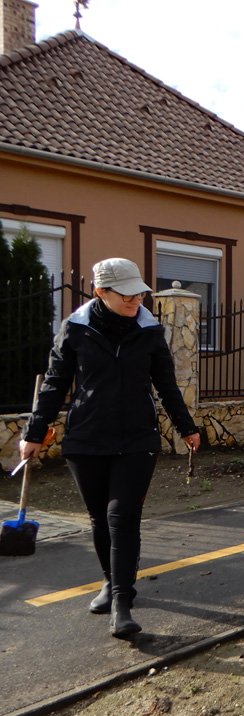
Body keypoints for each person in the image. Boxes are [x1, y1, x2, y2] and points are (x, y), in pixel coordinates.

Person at [20, 258, 201, 639]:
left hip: (137, 438)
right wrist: (34, 433)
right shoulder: (76, 329)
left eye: (139, 292)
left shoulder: (149, 330)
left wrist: (186, 427)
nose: (136, 298)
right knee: (99, 519)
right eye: (127, 293)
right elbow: (55, 384)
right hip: (87, 439)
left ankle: (122, 601)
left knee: (122, 518)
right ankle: (110, 581)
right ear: (101, 292)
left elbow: (166, 384)